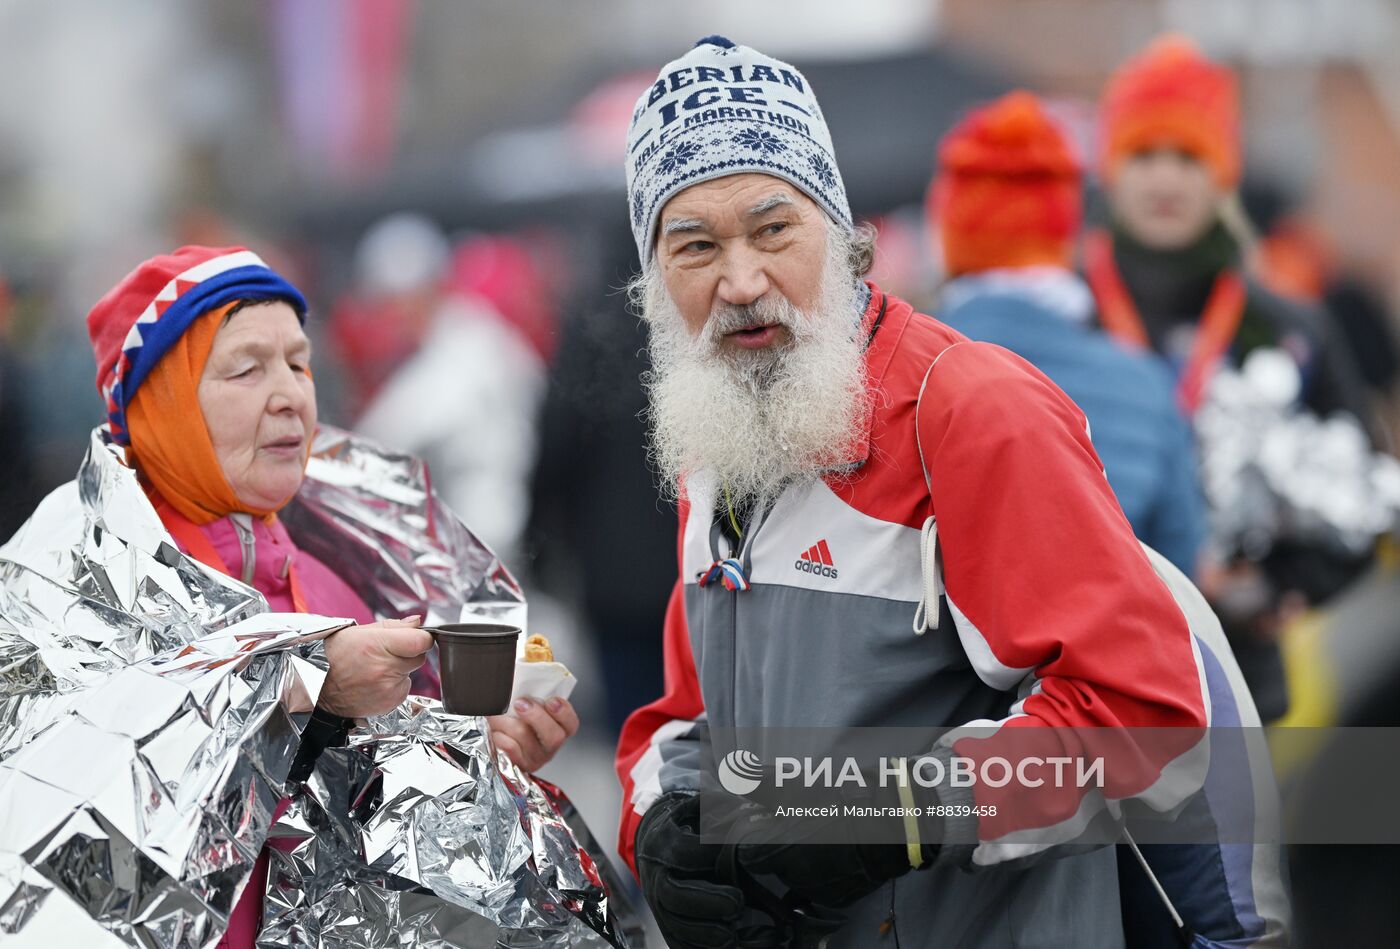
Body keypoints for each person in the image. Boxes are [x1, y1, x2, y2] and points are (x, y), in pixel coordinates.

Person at [614, 37, 1214, 948]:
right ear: (655, 277)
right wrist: (659, 829)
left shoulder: (968, 408)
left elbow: (1147, 715)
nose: (740, 282)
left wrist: (906, 809)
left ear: (843, 234)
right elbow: (683, 716)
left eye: (774, 230)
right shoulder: (719, 429)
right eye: (695, 246)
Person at [82, 245, 578, 947]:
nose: (289, 393)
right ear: (161, 401)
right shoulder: (79, 585)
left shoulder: (335, 580)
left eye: (298, 362)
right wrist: (304, 678)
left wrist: (478, 749)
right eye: (246, 368)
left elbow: (370, 801)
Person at [1090, 35, 1376, 722]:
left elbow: (1370, 484)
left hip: (1240, 683)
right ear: (1112, 170)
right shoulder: (1068, 312)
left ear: (1221, 173)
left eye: (1187, 156)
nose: (1164, 179)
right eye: (1143, 154)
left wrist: (1279, 587)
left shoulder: (1285, 325)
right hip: (1085, 685)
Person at [931, 90, 1206, 577]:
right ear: (1065, 231)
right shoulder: (1142, 383)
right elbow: (1178, 569)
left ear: (951, 231)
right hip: (1110, 643)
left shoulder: (900, 369)